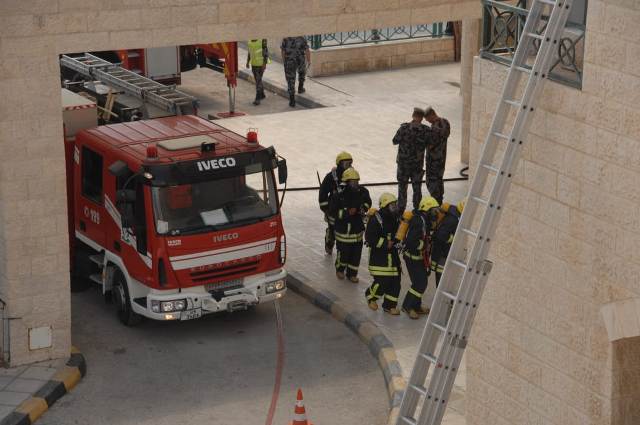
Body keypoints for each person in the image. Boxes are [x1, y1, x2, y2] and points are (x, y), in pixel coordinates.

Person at [400, 196, 441, 319]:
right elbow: (411, 242)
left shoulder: (424, 220)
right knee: (420, 283)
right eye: (434, 211)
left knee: (420, 282)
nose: (436, 214)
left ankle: (416, 306)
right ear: (426, 210)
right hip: (413, 258)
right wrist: (424, 245)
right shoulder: (418, 222)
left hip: (418, 257)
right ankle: (407, 306)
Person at [331, 167, 371, 283]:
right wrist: (347, 212)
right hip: (343, 232)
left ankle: (352, 274)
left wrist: (363, 208)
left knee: (356, 255)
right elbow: (333, 211)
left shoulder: (363, 192)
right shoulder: (339, 195)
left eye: (357, 181)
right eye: (353, 182)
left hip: (357, 230)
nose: (355, 184)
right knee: (343, 254)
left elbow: (368, 202)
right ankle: (340, 269)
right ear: (346, 182)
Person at [364, 193, 402, 315]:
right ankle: (371, 296)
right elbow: (370, 238)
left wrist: (399, 241)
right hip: (379, 259)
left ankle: (389, 306)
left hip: (393, 258)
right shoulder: (376, 219)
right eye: (392, 205)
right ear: (385, 206)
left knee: (395, 283)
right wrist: (386, 243)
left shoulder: (395, 218)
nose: (395, 208)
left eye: (395, 205)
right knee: (382, 281)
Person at [393, 107, 432, 215]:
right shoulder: (426, 130)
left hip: (403, 165)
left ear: (413, 116)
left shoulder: (404, 128)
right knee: (417, 188)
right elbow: (430, 144)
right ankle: (417, 210)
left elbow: (395, 141)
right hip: (417, 166)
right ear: (422, 118)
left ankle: (400, 211)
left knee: (402, 188)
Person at [318, 151, 353, 255]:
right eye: (346, 163)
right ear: (339, 164)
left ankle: (343, 249)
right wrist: (326, 209)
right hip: (333, 210)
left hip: (347, 209)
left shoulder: (352, 175)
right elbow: (323, 194)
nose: (349, 166)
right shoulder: (331, 177)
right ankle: (329, 242)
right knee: (333, 229)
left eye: (350, 163)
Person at [431, 200, 464, 287]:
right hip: (442, 254)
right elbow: (441, 236)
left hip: (444, 253)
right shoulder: (452, 220)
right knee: (442, 282)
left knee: (444, 280)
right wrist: (453, 238)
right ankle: (439, 298)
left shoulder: (455, 214)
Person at [424, 107, 451, 205]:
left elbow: (430, 144)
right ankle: (439, 200)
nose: (427, 121)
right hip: (441, 159)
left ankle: (435, 203)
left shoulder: (434, 129)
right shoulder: (445, 123)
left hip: (433, 161)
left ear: (431, 115)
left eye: (427, 119)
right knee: (439, 179)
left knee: (432, 182)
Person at [281, 36, 311, 107]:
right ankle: (300, 88)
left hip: (289, 61)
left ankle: (292, 100)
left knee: (290, 79)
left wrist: (284, 61)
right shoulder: (301, 38)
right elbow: (307, 50)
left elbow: (283, 51)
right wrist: (309, 60)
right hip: (300, 59)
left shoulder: (286, 38)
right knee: (302, 73)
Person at [246, 39, 270, 106]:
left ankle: (257, 99)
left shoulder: (261, 41)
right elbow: (249, 53)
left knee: (258, 81)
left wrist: (264, 64)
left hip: (260, 66)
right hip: (254, 65)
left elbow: (266, 53)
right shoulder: (249, 42)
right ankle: (262, 94)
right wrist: (247, 62)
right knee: (258, 81)